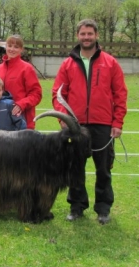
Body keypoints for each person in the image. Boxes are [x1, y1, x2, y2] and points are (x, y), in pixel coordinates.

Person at [52, 19, 127, 225]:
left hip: (103, 124)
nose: (86, 37)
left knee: (103, 168)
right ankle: (77, 207)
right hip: (76, 125)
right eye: (83, 34)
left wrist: (117, 122)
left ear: (96, 35)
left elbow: (120, 94)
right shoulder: (67, 64)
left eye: (90, 34)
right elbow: (58, 93)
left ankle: (103, 209)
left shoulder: (110, 62)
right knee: (75, 167)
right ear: (78, 36)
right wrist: (63, 118)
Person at [0, 34, 42, 129]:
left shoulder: (27, 69)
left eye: (16, 47)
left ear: (21, 49)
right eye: (9, 46)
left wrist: (21, 104)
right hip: (1, 123)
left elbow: (36, 94)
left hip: (22, 122)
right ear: (5, 47)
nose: (12, 49)